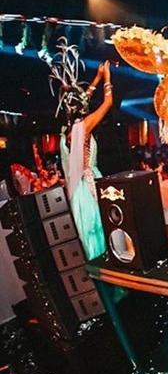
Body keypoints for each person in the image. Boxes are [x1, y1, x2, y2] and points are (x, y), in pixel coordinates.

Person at [49, 38, 113, 261]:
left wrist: (96, 78)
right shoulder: (85, 126)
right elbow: (107, 103)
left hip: (77, 190)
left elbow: (82, 99)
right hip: (89, 182)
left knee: (86, 231)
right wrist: (107, 78)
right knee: (99, 227)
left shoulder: (68, 128)